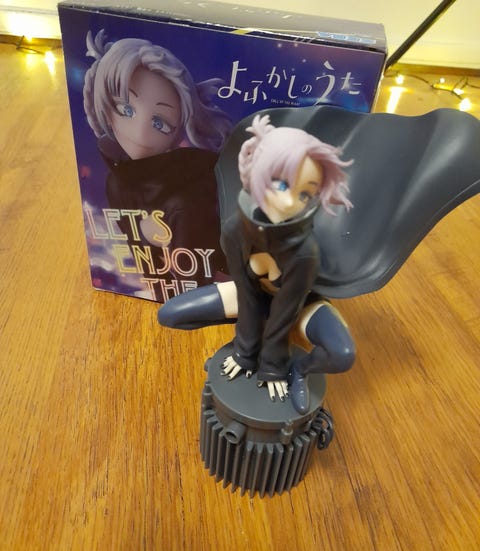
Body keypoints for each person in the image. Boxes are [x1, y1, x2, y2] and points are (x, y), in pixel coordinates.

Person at [159, 114, 356, 414]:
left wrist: (274, 367)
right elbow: (247, 294)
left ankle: (300, 370)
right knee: (171, 315)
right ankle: (251, 338)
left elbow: (288, 309)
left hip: (301, 304)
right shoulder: (234, 230)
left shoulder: (305, 253)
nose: (289, 202)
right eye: (281, 184)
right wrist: (244, 353)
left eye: (305, 193)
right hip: (255, 298)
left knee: (342, 354)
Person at [83, 30, 233, 296]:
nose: (140, 135)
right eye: (126, 110)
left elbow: (196, 287)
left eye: (159, 123)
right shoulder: (117, 181)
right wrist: (145, 236)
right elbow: (148, 269)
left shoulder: (189, 196)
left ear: (180, 129)